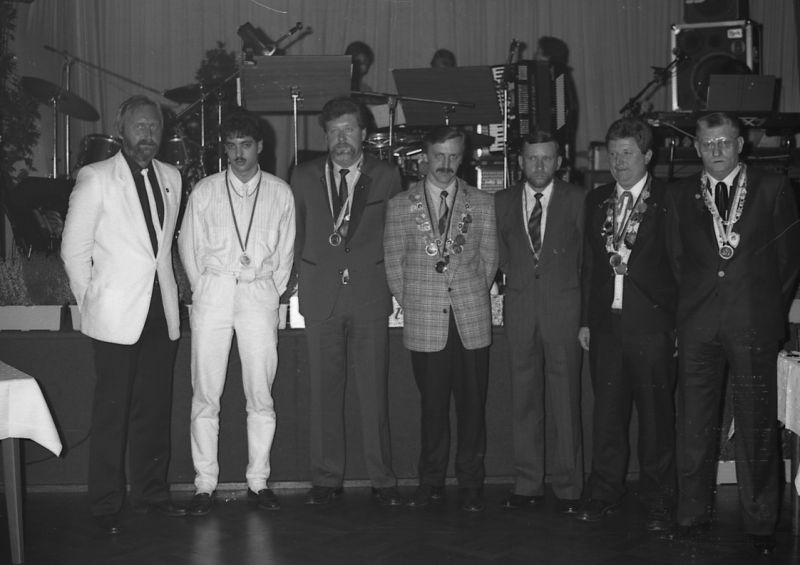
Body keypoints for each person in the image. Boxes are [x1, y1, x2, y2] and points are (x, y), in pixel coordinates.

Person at [665, 112, 800, 555]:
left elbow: (788, 262)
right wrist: (695, 309)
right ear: (697, 148)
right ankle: (691, 515)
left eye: (725, 142)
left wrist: (763, 311)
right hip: (699, 324)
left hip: (752, 323)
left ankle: (760, 521)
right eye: (708, 144)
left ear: (741, 144)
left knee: (757, 424)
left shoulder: (772, 188)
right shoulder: (680, 194)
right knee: (694, 423)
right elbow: (677, 260)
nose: (716, 150)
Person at [61, 95, 185, 534]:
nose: (148, 134)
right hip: (115, 316)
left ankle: (152, 494)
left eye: (154, 127)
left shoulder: (172, 177)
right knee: (112, 414)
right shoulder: (96, 177)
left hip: (160, 313)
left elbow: (161, 252)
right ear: (121, 130)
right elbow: (73, 252)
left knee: (154, 410)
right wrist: (92, 303)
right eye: (139, 126)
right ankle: (105, 504)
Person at [178, 110, 295, 515]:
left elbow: (285, 254)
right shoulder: (205, 191)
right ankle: (204, 484)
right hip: (214, 289)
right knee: (205, 393)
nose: (238, 153)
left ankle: (258, 482)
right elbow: (189, 248)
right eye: (231, 146)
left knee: (260, 393)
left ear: (260, 146)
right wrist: (206, 288)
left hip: (259, 291)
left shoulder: (279, 192)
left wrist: (266, 290)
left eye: (245, 145)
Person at [290, 97, 403, 506]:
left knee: (374, 393)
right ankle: (326, 478)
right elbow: (296, 233)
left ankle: (382, 479)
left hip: (369, 295)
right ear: (325, 136)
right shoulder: (303, 175)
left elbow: (396, 235)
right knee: (323, 392)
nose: (341, 139)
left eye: (349, 130)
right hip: (321, 296)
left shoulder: (387, 176)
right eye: (334, 131)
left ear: (364, 134)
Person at [384, 126, 499, 512]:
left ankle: (471, 482)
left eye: (453, 156)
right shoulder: (400, 205)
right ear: (425, 158)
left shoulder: (482, 203)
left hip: (471, 320)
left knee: (472, 408)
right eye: (439, 156)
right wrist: (418, 303)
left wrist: (466, 294)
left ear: (462, 158)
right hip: (425, 321)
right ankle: (430, 481)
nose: (446, 164)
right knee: (432, 408)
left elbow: (489, 261)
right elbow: (395, 266)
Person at [576, 119, 677, 531]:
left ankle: (659, 498)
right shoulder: (597, 199)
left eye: (628, 153)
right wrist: (586, 320)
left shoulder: (669, 199)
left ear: (647, 156)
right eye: (613, 154)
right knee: (607, 416)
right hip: (606, 327)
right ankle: (604, 491)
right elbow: (589, 266)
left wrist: (677, 326)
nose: (618, 162)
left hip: (653, 326)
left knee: (656, 419)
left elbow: (682, 266)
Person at [494, 131, 584, 513]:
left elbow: (586, 258)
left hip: (564, 312)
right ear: (520, 162)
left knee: (566, 402)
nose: (540, 165)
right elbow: (499, 254)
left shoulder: (578, 199)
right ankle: (527, 483)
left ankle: (569, 487)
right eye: (532, 158)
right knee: (524, 401)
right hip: (520, 311)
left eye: (547, 158)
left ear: (559, 162)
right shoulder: (500, 201)